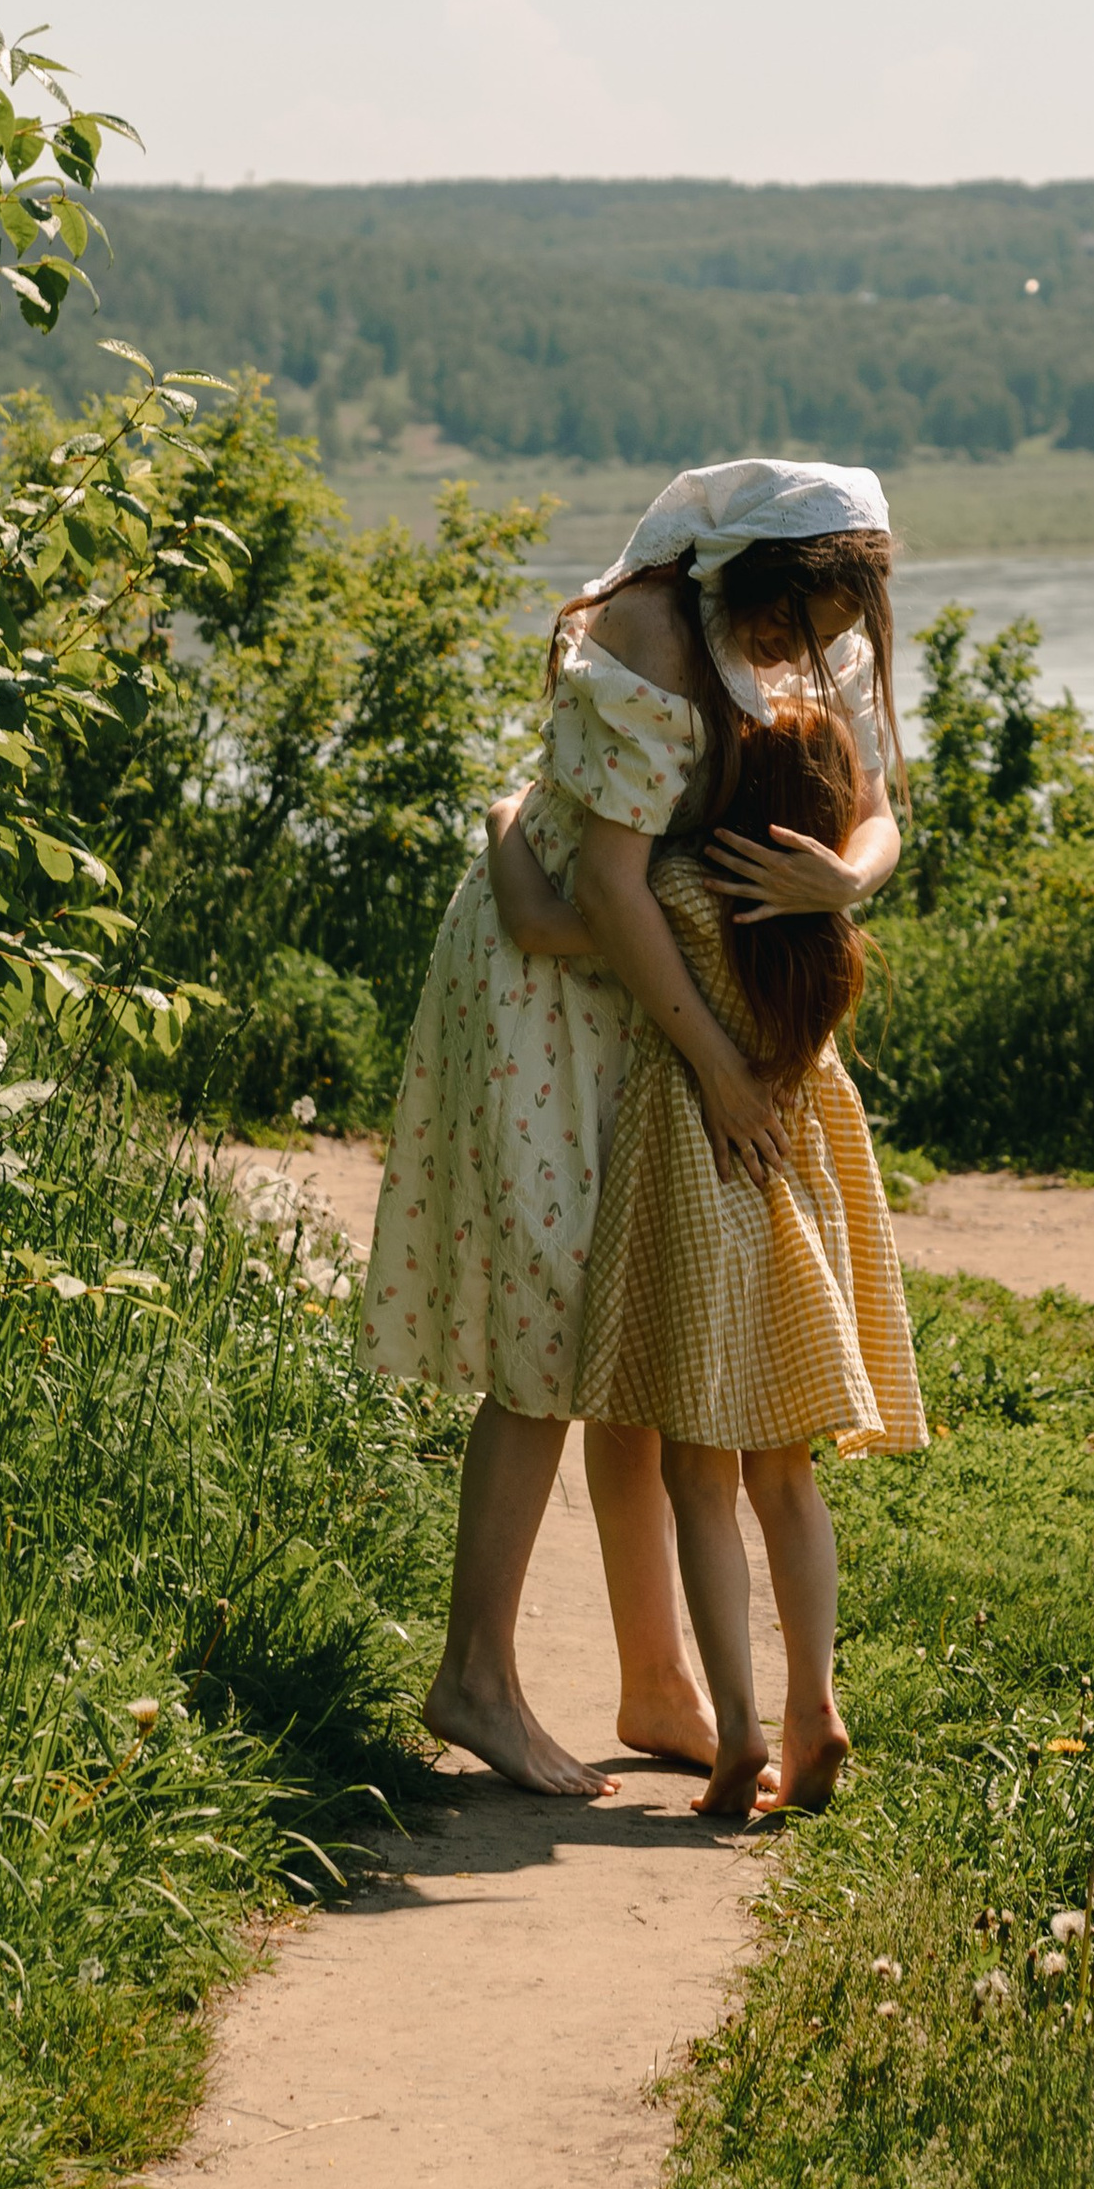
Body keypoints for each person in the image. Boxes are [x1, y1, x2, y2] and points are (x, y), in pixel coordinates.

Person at [361, 458, 904, 1796]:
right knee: (555, 1314)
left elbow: (881, 806)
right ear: (751, 582)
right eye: (794, 627)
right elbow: (592, 894)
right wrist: (721, 1062)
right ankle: (476, 1671)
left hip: (665, 985)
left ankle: (658, 1677)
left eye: (828, 635)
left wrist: (847, 875)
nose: (806, 654)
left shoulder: (797, 635)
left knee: (635, 1315)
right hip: (562, 984)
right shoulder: (655, 627)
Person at [492, 700, 926, 1815]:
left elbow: (541, 919)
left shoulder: (682, 895)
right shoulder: (826, 939)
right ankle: (813, 1703)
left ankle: (735, 1727)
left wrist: (506, 819)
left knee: (698, 1474)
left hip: (691, 1207)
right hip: (794, 1231)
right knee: (786, 1478)